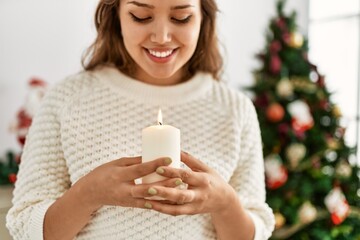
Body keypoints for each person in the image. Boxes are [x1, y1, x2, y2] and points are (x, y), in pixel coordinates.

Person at [6, 0, 275, 239]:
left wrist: (225, 203)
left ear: (204, 18)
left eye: (181, 18)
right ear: (116, 15)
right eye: (141, 16)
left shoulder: (234, 109)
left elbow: (253, 230)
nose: (161, 36)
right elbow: (24, 228)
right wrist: (89, 194)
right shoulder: (67, 99)